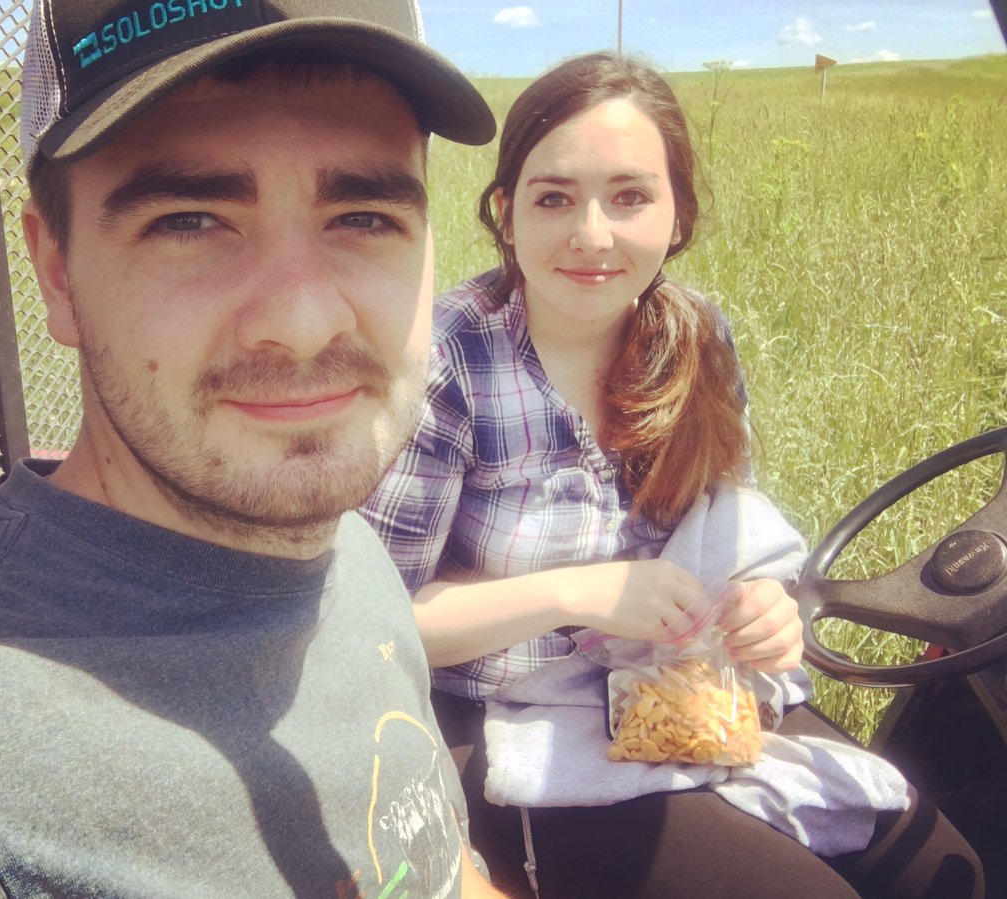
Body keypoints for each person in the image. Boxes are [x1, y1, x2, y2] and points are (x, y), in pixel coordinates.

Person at [0, 2, 510, 896]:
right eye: (190, 219)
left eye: (364, 215)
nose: (301, 323)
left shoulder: (350, 551)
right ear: (57, 268)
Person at [361, 51, 985, 899]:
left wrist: (765, 606)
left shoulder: (698, 339)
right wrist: (583, 592)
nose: (591, 233)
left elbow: (735, 535)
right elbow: (375, 626)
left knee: (945, 872)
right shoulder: (447, 362)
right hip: (500, 723)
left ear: (677, 214)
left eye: (629, 196)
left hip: (687, 686)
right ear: (505, 212)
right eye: (553, 197)